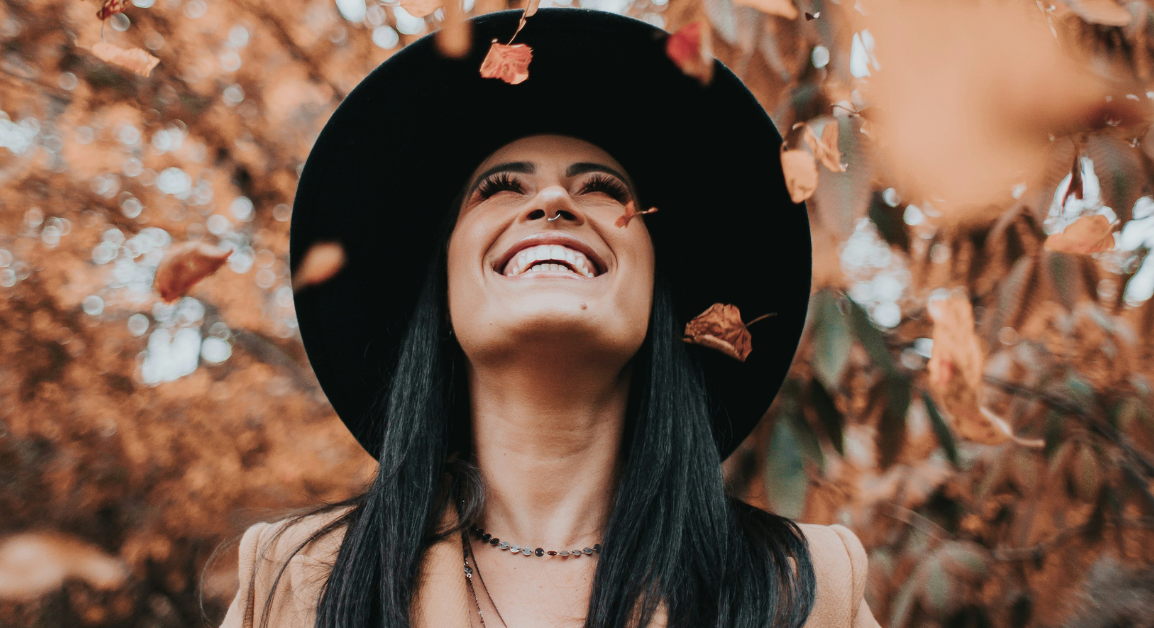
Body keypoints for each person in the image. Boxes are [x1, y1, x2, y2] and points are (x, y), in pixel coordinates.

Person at [218, 8, 879, 628]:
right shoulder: (295, 580)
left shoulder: (807, 587)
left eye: (606, 191)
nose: (556, 199)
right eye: (502, 187)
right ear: (444, 286)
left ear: (660, 296)